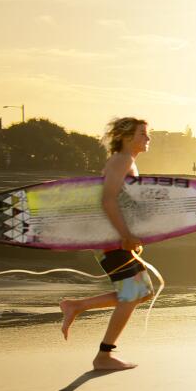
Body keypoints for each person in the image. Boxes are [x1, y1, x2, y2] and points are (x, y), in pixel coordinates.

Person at [59, 117, 158, 371]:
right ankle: (104, 355)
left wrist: (131, 234)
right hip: (110, 240)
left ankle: (76, 306)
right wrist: (125, 235)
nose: (148, 139)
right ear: (126, 137)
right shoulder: (122, 160)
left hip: (114, 238)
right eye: (142, 134)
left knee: (142, 292)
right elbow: (108, 201)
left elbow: (123, 204)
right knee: (135, 293)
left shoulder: (127, 162)